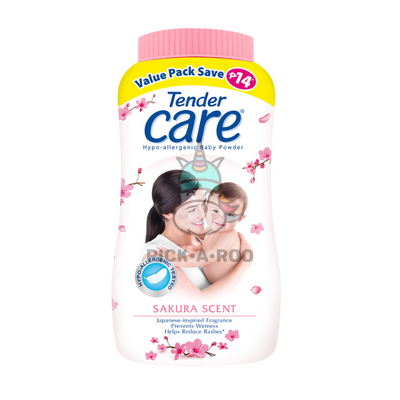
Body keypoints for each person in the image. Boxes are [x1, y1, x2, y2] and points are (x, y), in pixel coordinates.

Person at [141, 170, 253, 298]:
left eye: (204, 203)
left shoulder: (214, 235)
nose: (203, 214)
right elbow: (198, 304)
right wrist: (245, 264)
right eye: (192, 209)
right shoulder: (155, 254)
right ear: (167, 213)